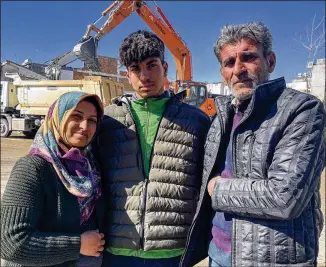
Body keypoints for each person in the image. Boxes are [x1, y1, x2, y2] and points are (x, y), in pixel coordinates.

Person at [181, 22, 325, 267]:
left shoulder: (302, 110)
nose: (238, 69)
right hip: (218, 253)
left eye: (248, 57)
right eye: (229, 63)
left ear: (270, 60)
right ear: (222, 73)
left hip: (273, 259)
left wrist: (219, 189)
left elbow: (286, 197)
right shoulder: (221, 117)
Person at [91, 30, 211, 267]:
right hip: (117, 250)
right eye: (136, 69)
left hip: (172, 251)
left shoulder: (196, 121)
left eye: (151, 65)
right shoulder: (108, 121)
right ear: (127, 74)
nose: (144, 75)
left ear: (165, 68)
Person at [1, 91, 106, 267]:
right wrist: (77, 245)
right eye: (76, 116)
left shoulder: (90, 167)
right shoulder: (32, 168)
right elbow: (11, 243)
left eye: (92, 120)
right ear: (57, 118)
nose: (84, 126)